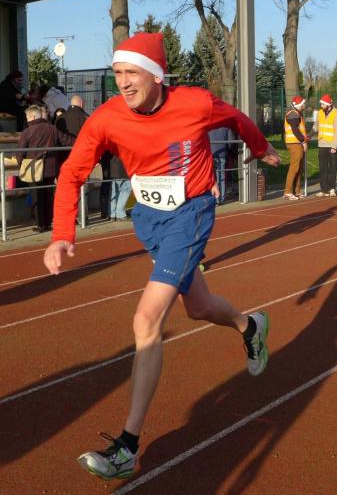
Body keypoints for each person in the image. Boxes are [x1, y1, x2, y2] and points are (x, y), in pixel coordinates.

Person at [42, 32, 281, 481]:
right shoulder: (107, 117)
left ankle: (128, 447)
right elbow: (72, 173)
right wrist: (60, 235)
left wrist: (259, 146)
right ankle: (251, 326)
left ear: (156, 76)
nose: (123, 82)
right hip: (149, 217)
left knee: (146, 319)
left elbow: (236, 117)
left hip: (192, 213)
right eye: (118, 73)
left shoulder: (195, 103)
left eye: (132, 73)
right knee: (199, 307)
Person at [16, 105, 72, 232]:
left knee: (37, 196)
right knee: (48, 194)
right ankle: (48, 222)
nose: (27, 119)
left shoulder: (27, 131)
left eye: (27, 117)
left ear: (32, 116)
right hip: (50, 167)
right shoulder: (52, 128)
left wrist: (22, 165)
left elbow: (20, 152)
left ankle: (40, 224)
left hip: (33, 167)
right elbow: (67, 141)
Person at [312, 93, 337, 197]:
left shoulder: (336, 113)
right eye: (321, 104)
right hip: (322, 144)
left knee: (332, 168)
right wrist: (309, 135)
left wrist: (334, 146)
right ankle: (324, 189)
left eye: (323, 104)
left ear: (328, 104)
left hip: (332, 145)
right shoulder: (320, 113)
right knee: (323, 168)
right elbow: (316, 126)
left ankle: (332, 188)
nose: (321, 106)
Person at [283, 95, 308, 200]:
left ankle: (297, 191)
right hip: (295, 143)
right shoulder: (293, 114)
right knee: (294, 167)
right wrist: (303, 141)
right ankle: (288, 192)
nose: (304, 106)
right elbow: (295, 130)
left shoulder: (296, 113)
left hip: (297, 143)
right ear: (299, 105)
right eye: (303, 104)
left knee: (299, 168)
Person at [208, 126, 235, 204]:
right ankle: (221, 198)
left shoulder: (209, 126)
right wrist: (228, 149)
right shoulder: (226, 127)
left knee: (211, 176)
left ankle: (214, 197)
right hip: (222, 154)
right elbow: (231, 142)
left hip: (211, 153)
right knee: (221, 176)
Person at [108, 154, 132, 220]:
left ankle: (112, 214)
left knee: (114, 192)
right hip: (123, 169)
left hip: (113, 168)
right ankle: (120, 214)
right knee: (125, 190)